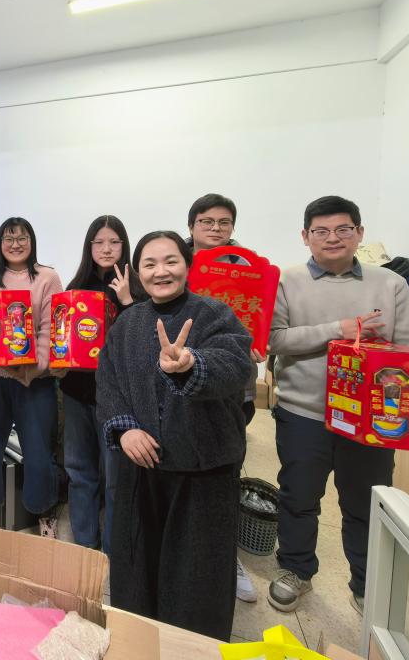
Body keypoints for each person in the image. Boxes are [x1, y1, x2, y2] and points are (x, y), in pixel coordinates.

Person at [267, 196, 409, 615]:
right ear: (305, 237)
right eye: (320, 231)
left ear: (359, 233)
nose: (332, 238)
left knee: (365, 503)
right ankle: (296, 570)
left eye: (343, 229)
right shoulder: (287, 281)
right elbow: (275, 340)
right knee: (298, 496)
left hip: (372, 418)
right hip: (304, 412)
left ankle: (365, 582)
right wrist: (338, 329)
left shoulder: (391, 284)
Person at [95, 231, 252, 641]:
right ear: (138, 272)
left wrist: (190, 363)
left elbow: (238, 366)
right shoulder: (127, 323)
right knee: (137, 568)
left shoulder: (214, 314)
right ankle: (138, 642)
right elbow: (108, 381)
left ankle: (190, 648)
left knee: (197, 579)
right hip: (142, 470)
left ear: (187, 265)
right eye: (149, 264)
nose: (160, 271)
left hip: (203, 470)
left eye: (170, 261)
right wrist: (125, 429)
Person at [0, 217, 64, 541]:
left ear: (32, 241)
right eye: (8, 238)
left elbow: (50, 328)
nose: (15, 244)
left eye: (21, 238)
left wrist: (33, 369)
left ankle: (44, 511)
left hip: (34, 380)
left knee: (39, 449)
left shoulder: (47, 277)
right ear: (0, 243)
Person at [185, 192, 262, 603]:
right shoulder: (174, 261)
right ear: (191, 226)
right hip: (180, 382)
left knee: (223, 473)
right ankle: (182, 551)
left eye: (224, 222)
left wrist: (259, 341)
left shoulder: (248, 268)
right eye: (207, 221)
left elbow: (261, 318)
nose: (215, 228)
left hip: (231, 386)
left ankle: (225, 559)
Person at [60, 215, 140, 553]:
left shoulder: (137, 286)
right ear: (89, 247)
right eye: (99, 242)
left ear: (124, 245)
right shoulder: (76, 286)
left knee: (116, 478)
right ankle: (84, 544)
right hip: (77, 392)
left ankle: (112, 551)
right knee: (79, 470)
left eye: (114, 242)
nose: (106, 249)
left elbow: (142, 342)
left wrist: (126, 300)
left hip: (118, 401)